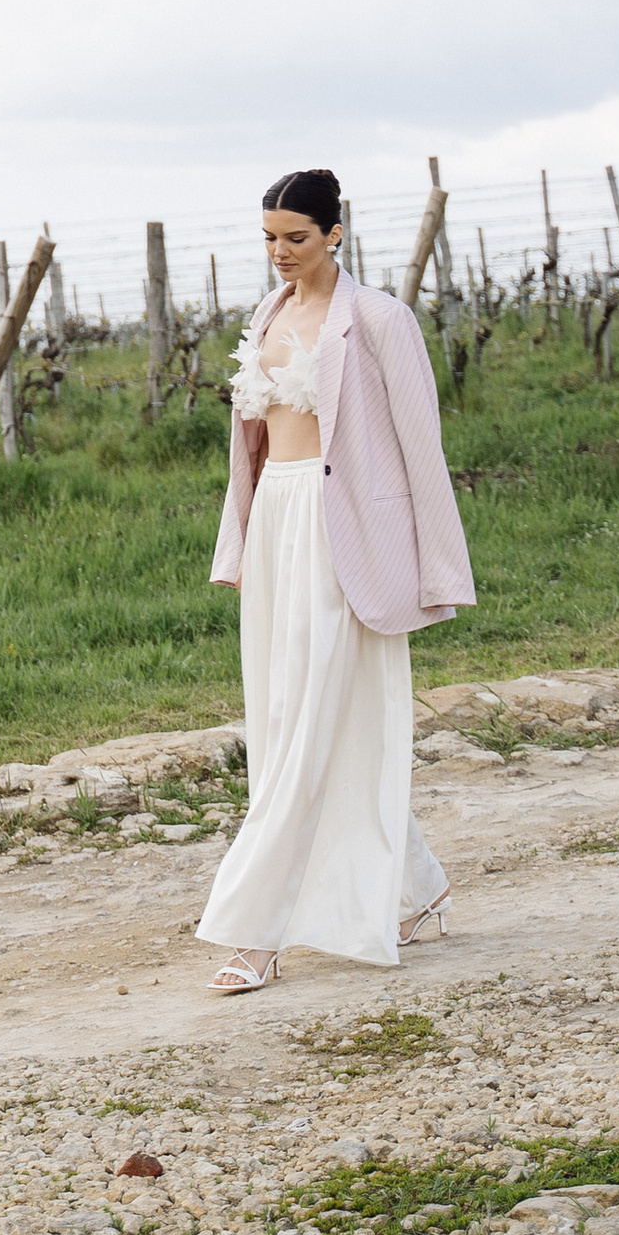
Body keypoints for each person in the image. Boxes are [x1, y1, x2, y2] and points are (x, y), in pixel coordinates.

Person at [197, 165, 474, 995]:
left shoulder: (381, 321)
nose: (281, 254)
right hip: (277, 525)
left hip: (344, 532)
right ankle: (419, 889)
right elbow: (249, 452)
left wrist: (434, 569)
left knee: (314, 721)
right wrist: (239, 547)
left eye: (298, 238)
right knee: (291, 721)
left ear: (335, 234)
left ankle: (255, 932)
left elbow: (421, 448)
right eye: (270, 239)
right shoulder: (267, 314)